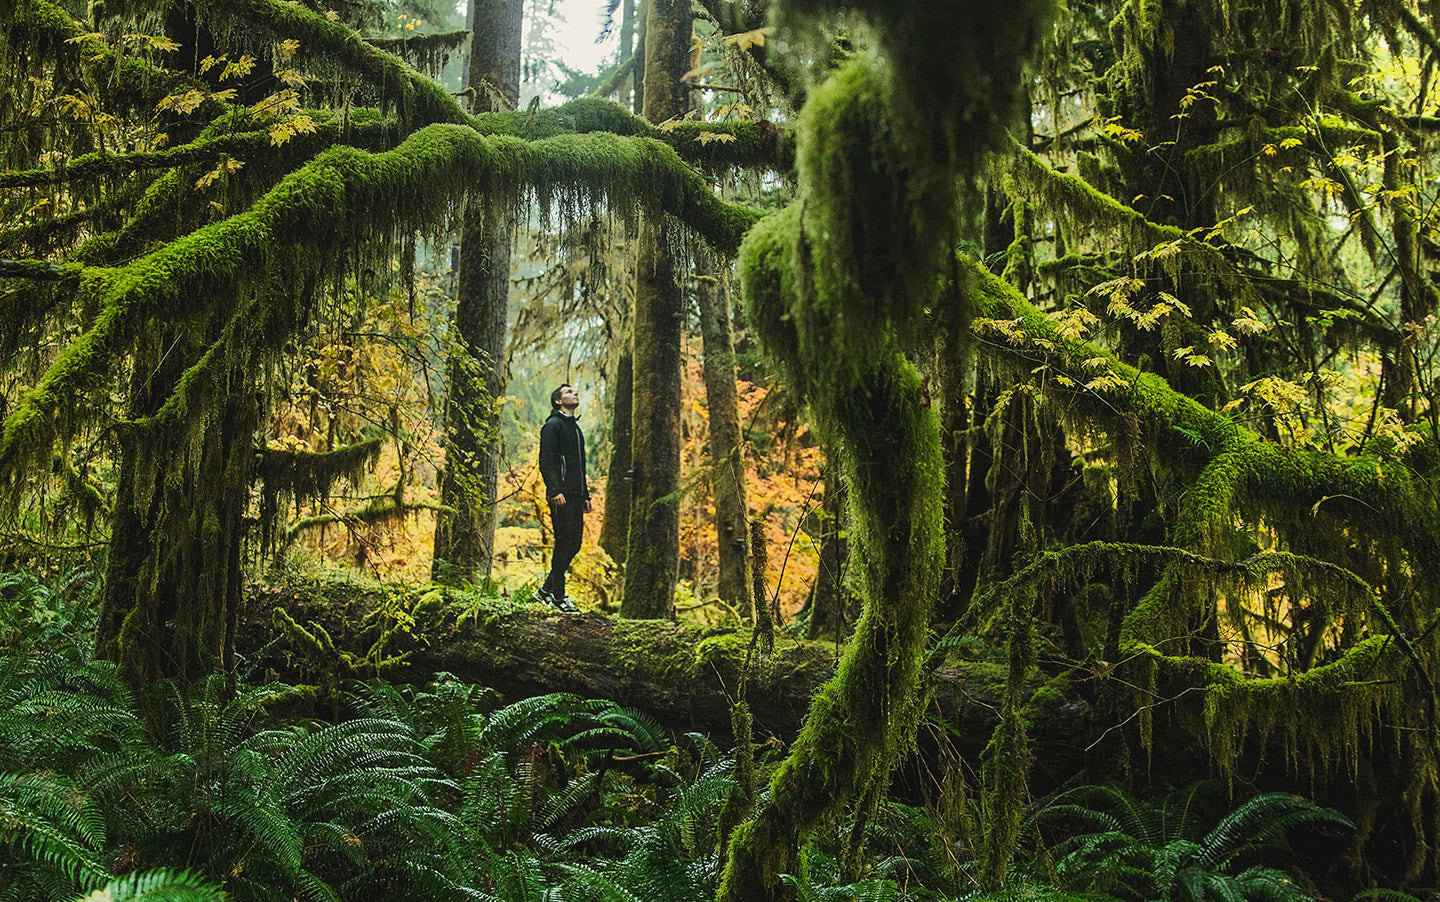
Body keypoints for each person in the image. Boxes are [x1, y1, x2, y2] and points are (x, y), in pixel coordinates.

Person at [537, 383, 589, 612]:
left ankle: (545, 590)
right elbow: (546, 461)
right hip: (561, 495)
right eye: (568, 392)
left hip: (576, 495)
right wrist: (554, 490)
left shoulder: (575, 428)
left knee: (575, 543)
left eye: (574, 392)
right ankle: (558, 597)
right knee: (563, 543)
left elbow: (580, 466)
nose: (574, 393)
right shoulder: (553, 426)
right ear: (558, 401)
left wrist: (585, 494)